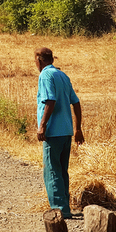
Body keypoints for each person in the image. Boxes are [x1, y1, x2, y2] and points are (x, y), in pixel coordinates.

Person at [35, 47, 84, 219]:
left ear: (39, 61)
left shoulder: (45, 75)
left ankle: (59, 210)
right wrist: (78, 129)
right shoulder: (62, 75)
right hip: (66, 132)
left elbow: (50, 101)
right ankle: (65, 207)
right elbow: (76, 103)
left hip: (53, 132)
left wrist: (42, 126)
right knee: (62, 170)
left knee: (52, 170)